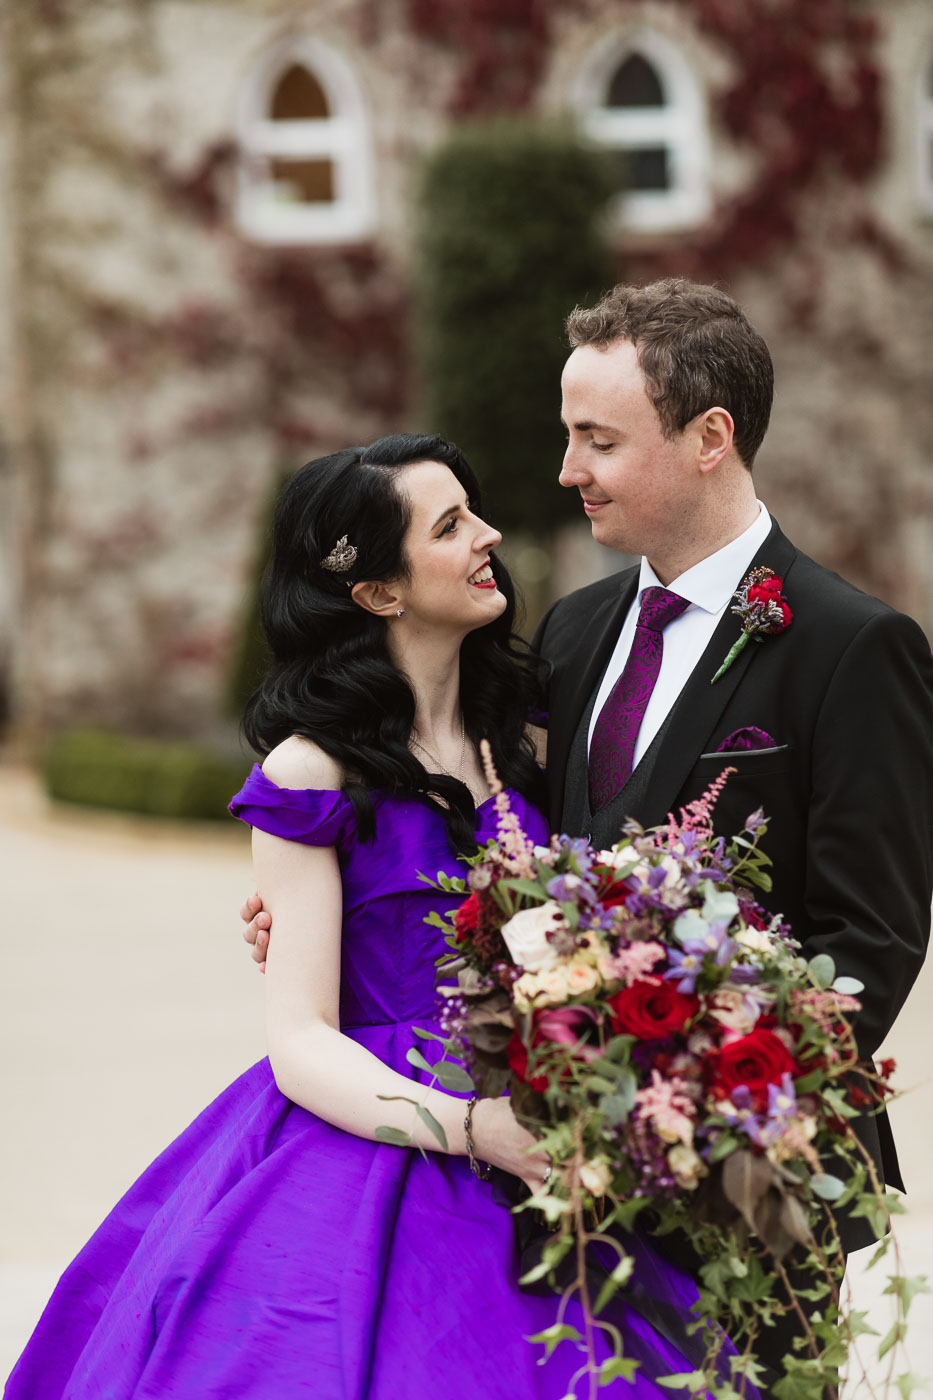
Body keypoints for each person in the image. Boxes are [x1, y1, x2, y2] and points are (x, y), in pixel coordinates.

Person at [242, 282, 933, 1392]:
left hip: (745, 1183)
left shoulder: (853, 648)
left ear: (709, 437)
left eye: (598, 439)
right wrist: (329, 902)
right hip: (543, 1179)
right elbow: (499, 850)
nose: (567, 470)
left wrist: (694, 1108)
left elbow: (873, 939)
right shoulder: (572, 631)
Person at [6, 433, 747, 1400]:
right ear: (379, 591)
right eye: (450, 526)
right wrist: (476, 1129)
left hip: (551, 1106)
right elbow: (300, 1040)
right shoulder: (309, 771)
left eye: (472, 511)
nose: (487, 536)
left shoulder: (532, 739)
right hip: (378, 1129)